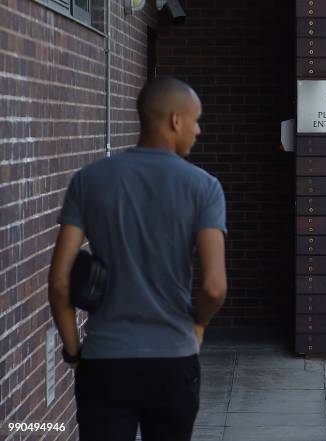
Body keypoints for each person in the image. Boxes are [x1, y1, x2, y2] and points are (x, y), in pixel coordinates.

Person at [48, 77, 227, 441]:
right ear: (175, 120)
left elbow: (60, 281)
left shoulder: (88, 180)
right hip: (173, 360)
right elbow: (214, 286)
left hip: (105, 362)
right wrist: (199, 327)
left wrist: (73, 351)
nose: (198, 129)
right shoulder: (204, 187)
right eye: (196, 120)